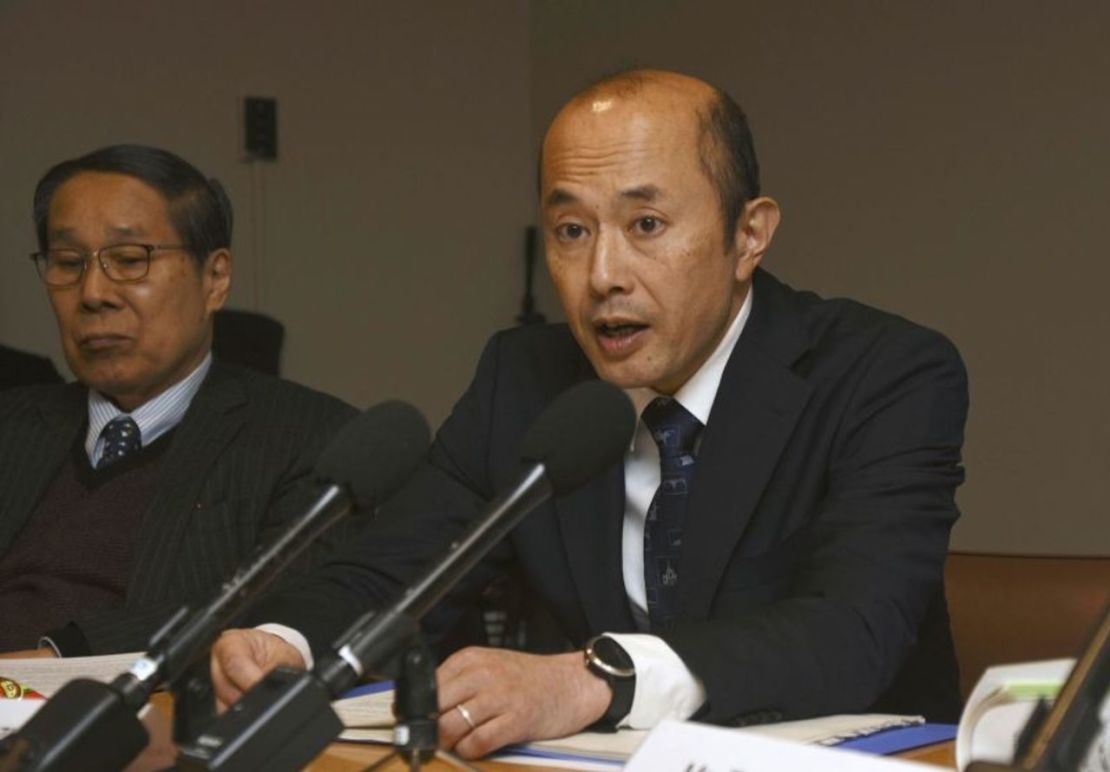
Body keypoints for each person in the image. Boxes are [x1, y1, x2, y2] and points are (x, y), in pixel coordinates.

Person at [211, 70, 969, 758]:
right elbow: (400, 576)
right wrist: (286, 645)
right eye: (573, 232)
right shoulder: (525, 379)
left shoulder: (884, 373)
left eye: (646, 226)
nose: (603, 277)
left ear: (749, 235)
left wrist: (594, 679)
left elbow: (853, 629)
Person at [0, 145, 356, 656]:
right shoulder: (12, 426)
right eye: (68, 263)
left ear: (215, 279)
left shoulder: (310, 438)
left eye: (128, 260)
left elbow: (278, 607)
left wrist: (51, 660)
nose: (94, 292)